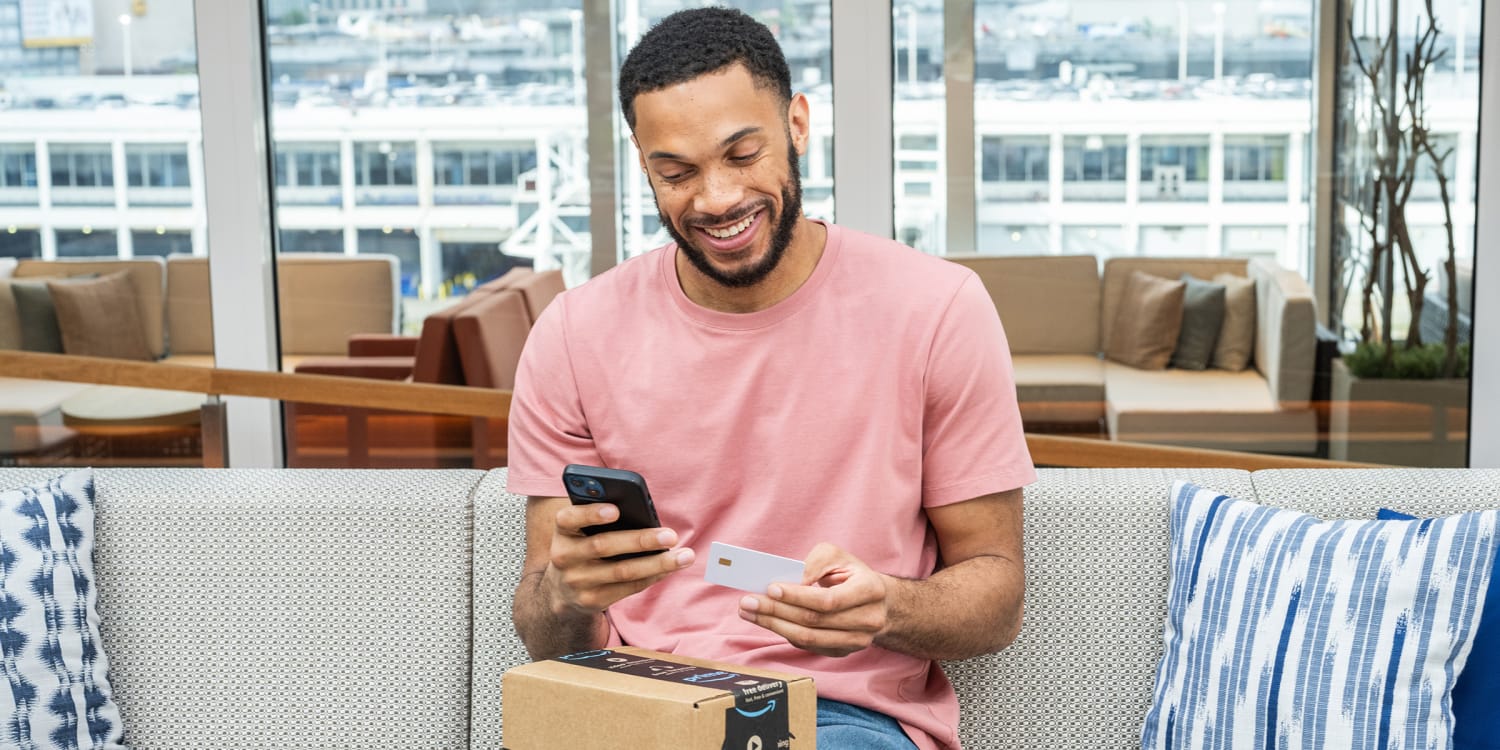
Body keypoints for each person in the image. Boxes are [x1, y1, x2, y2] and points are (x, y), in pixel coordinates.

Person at [506, 8, 1035, 749]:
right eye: (676, 172)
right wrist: (566, 592)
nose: (717, 199)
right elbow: (546, 632)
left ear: (797, 125)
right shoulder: (572, 335)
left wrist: (887, 607)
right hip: (635, 704)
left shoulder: (937, 309)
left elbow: (997, 597)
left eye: (742, 154)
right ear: (643, 163)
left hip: (840, 714)